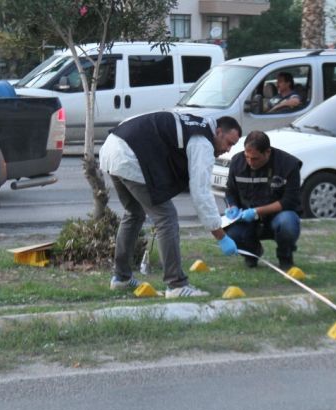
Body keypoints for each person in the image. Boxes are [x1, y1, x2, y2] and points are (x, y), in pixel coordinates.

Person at [99, 112, 242, 298]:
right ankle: (176, 285)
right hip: (128, 156)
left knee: (134, 213)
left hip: (114, 146)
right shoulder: (202, 141)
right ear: (218, 131)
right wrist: (220, 235)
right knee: (166, 218)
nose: (228, 150)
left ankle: (122, 278)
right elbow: (201, 192)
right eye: (229, 143)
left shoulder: (193, 124)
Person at [223, 130, 302, 270]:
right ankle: (252, 254)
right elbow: (230, 191)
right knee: (231, 233)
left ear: (267, 152)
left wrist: (257, 211)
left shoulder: (289, 164)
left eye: (255, 158)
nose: (250, 162)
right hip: (246, 218)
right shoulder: (237, 161)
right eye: (247, 157)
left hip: (277, 216)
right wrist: (232, 206)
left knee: (288, 223)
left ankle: (285, 256)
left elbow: (290, 201)